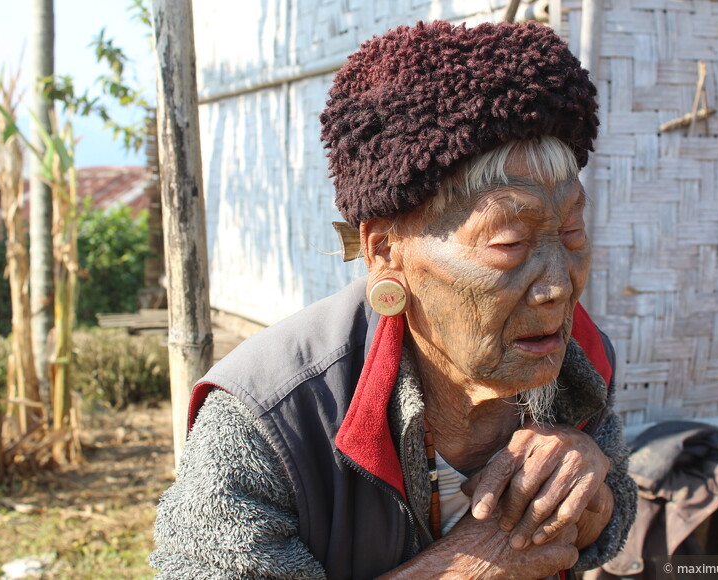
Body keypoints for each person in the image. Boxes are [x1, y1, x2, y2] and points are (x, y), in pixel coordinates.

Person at [150, 20, 637, 580]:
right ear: (385, 250)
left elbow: (614, 518)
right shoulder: (269, 421)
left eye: (572, 232)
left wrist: (588, 495)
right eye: (510, 242)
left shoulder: (581, 362)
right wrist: (467, 567)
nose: (557, 286)